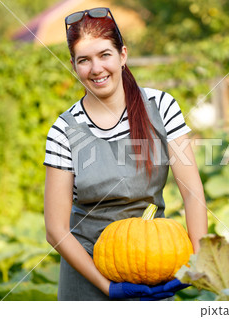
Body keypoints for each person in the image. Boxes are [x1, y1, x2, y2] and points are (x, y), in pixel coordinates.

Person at [43, 7, 207, 301]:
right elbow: (56, 230)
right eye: (84, 60)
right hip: (86, 275)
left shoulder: (161, 107)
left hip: (153, 264)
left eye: (105, 54)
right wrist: (107, 287)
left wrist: (197, 265)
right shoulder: (63, 130)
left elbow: (192, 192)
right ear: (73, 65)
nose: (96, 69)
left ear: (123, 55)